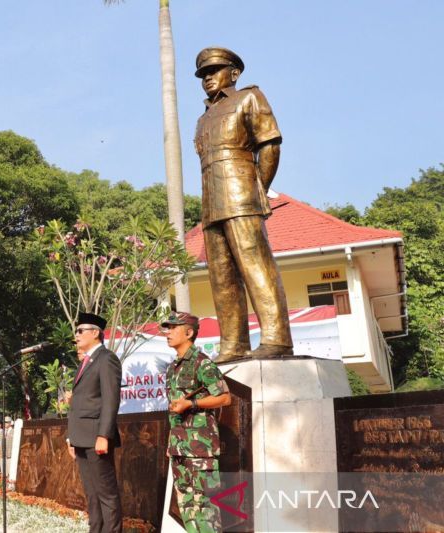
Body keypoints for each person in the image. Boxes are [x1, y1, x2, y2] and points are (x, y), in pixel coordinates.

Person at [193, 46, 293, 361]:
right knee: (221, 275)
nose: (208, 78)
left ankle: (277, 337)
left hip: (241, 194)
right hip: (211, 201)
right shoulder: (203, 118)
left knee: (255, 265)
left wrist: (258, 189)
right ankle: (233, 344)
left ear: (234, 73)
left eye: (215, 70)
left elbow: (270, 147)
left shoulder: (249, 98)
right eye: (204, 74)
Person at [162, 312, 232, 533]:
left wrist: (191, 404)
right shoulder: (173, 368)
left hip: (200, 450)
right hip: (179, 448)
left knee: (205, 509)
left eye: (173, 328)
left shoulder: (202, 363)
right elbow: (174, 413)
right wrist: (170, 442)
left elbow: (224, 397)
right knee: (187, 507)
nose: (168, 332)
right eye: (167, 328)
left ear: (189, 332)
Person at [66, 311, 122, 533]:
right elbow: (81, 403)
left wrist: (103, 435)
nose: (76, 335)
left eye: (80, 331)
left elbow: (110, 399)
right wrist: (71, 438)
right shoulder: (85, 361)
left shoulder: (106, 358)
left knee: (107, 494)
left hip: (96, 437)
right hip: (81, 438)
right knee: (92, 494)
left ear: (96, 333)